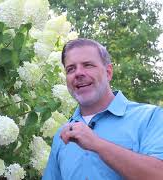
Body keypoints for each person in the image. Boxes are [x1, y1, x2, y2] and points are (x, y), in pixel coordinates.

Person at [42, 38, 163, 180]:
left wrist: (97, 144)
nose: (78, 73)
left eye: (88, 65)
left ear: (108, 72)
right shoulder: (62, 135)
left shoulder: (151, 117)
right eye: (71, 69)